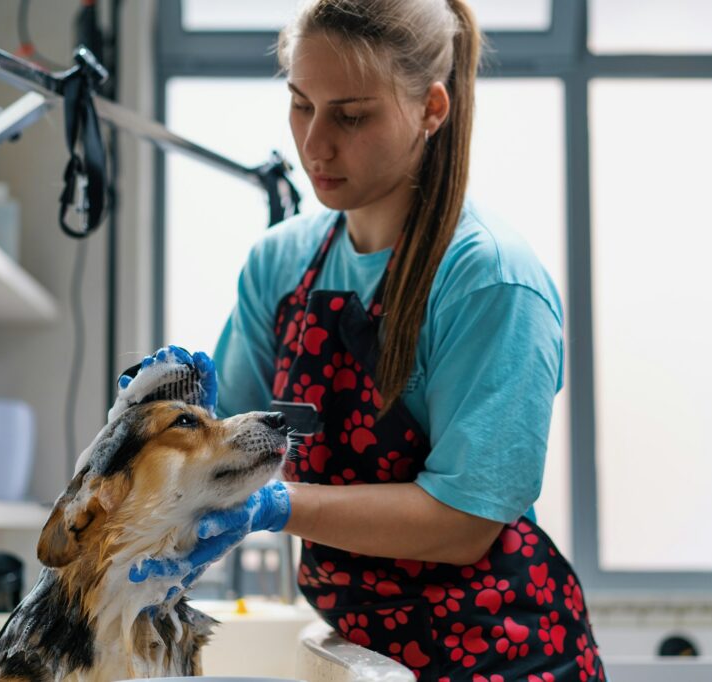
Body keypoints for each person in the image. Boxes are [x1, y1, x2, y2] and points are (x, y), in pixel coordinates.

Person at [132, 1, 605, 679]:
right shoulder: (281, 264)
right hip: (366, 653)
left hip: (504, 652)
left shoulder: (490, 281)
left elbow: (462, 522)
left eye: (351, 116)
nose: (315, 144)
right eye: (301, 104)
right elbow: (221, 443)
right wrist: (162, 424)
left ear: (430, 110)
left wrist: (275, 504)